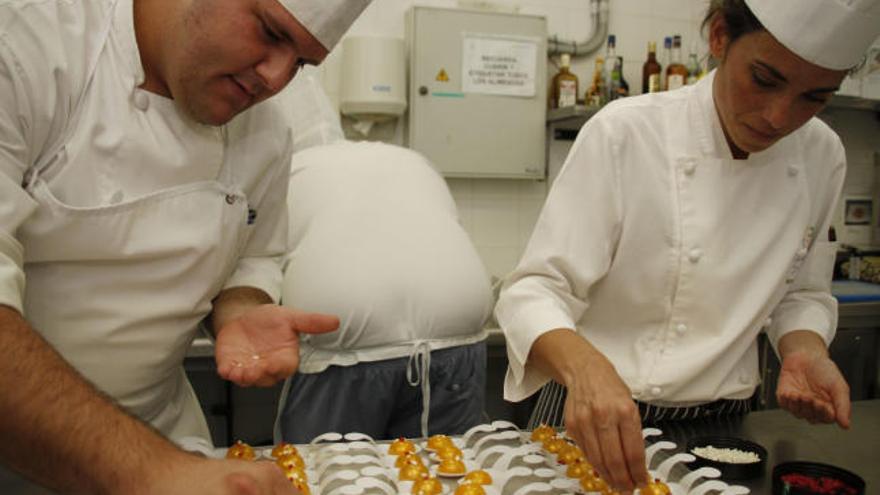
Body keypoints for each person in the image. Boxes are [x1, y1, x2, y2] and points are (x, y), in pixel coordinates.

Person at [495, 0, 880, 491]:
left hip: (724, 426)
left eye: (814, 98)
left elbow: (802, 292)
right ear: (719, 36)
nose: (780, 116)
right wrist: (588, 369)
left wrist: (803, 348)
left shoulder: (822, 154)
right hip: (593, 415)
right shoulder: (627, 132)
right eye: (765, 79)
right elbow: (533, 290)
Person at [0, 0, 369, 493]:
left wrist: (239, 312)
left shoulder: (266, 133)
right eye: (269, 31)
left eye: (301, 61)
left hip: (162, 438)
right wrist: (154, 472)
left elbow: (253, 258)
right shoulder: (28, 46)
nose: (276, 78)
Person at [272, 71, 493, 442]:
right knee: (444, 472)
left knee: (329, 476)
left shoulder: (281, 173)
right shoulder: (407, 158)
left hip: (347, 355)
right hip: (457, 342)